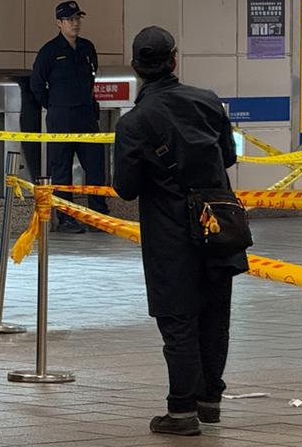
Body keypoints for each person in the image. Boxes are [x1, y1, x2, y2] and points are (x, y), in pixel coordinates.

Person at [113, 26, 248, 437]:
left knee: (179, 320)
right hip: (218, 226)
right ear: (174, 60)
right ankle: (210, 401)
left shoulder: (134, 123)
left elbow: (126, 187)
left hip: (170, 235)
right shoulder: (207, 101)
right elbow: (227, 155)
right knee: (214, 315)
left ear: (137, 68)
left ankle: (182, 410)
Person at [30, 0, 107, 233]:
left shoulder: (87, 48)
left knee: (95, 165)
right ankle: (66, 218)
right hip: (61, 117)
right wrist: (53, 106)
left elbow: (91, 78)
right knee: (61, 168)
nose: (75, 23)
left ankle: (98, 215)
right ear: (59, 23)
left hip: (85, 115)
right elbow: (36, 84)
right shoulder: (49, 52)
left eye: (77, 19)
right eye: (70, 20)